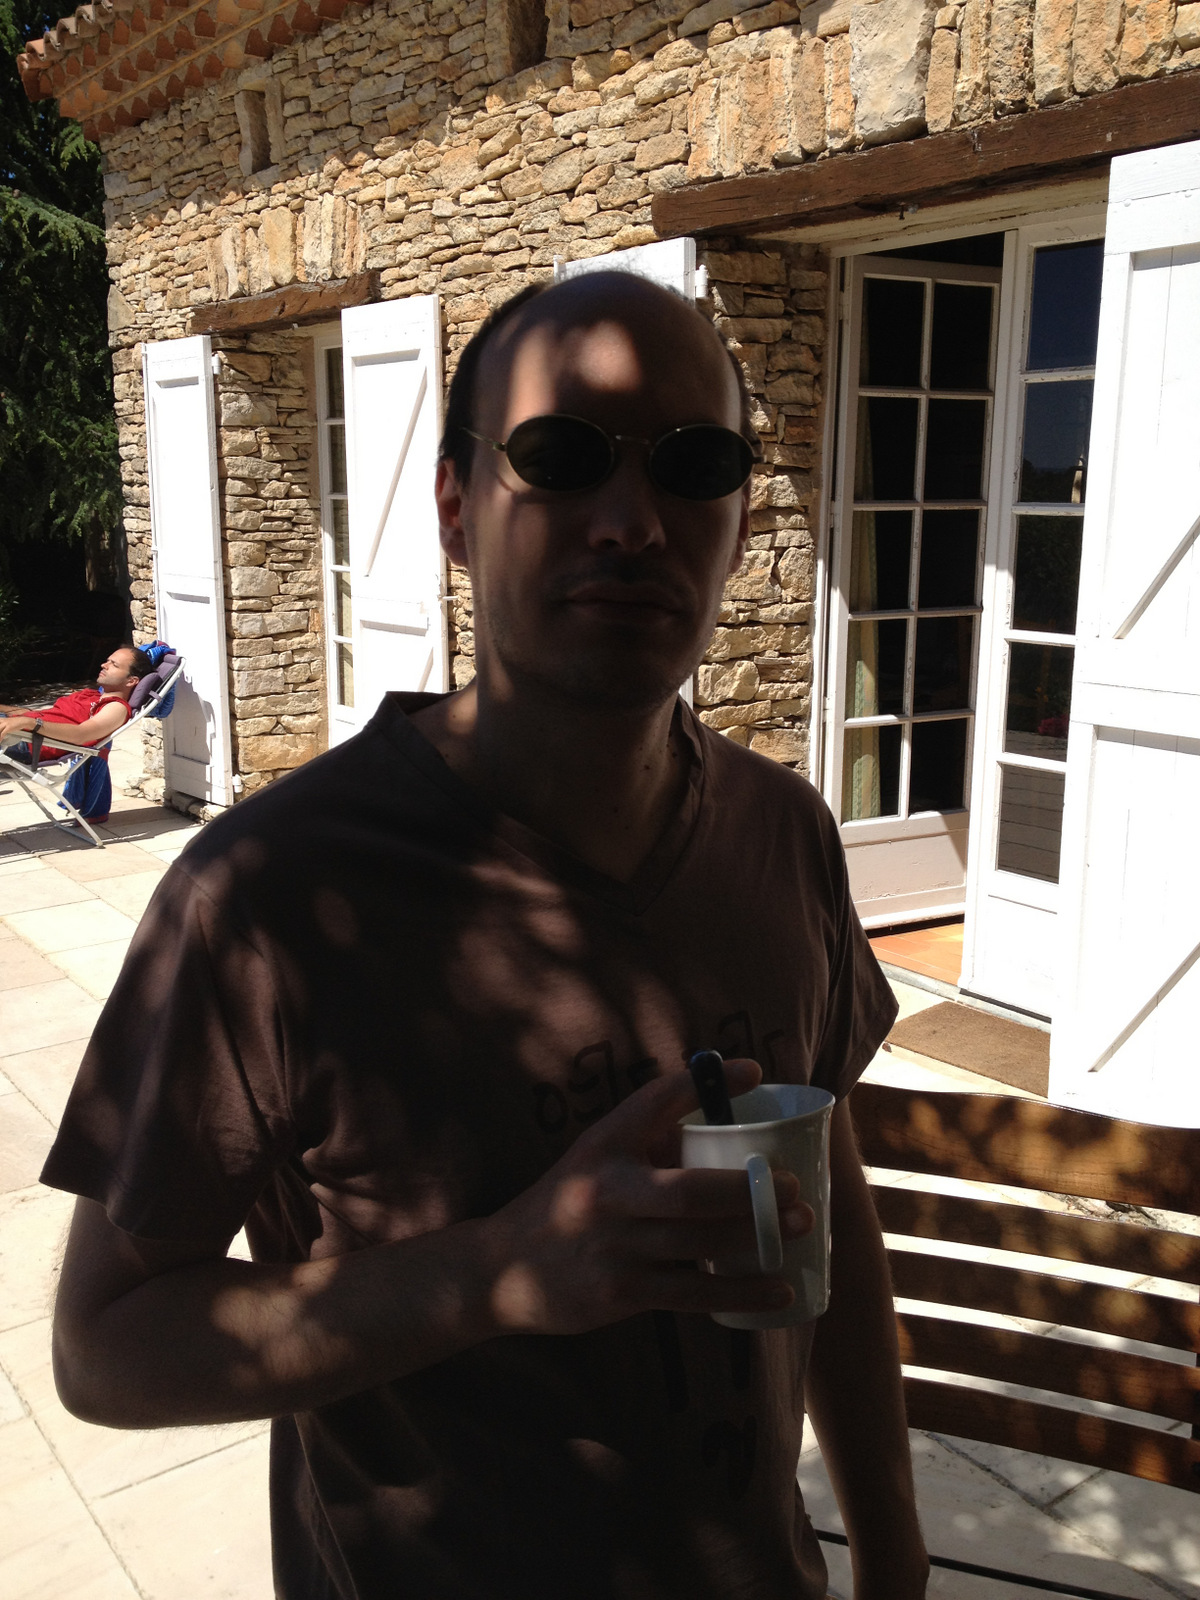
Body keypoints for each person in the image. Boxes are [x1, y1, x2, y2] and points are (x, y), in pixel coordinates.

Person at [42, 274, 929, 1600]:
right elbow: (104, 1345)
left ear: (743, 523)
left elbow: (833, 1210)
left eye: (695, 464)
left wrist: (898, 1558)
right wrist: (501, 1272)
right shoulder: (268, 898)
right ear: (456, 510)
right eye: (561, 459)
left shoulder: (783, 834)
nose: (633, 521)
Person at [0, 645, 152, 822]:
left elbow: (81, 735)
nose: (104, 665)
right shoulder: (91, 696)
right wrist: (11, 713)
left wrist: (29, 723)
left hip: (23, 741)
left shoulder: (116, 707)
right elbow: (42, 715)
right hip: (14, 729)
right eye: (107, 661)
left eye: (114, 664)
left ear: (131, 681)